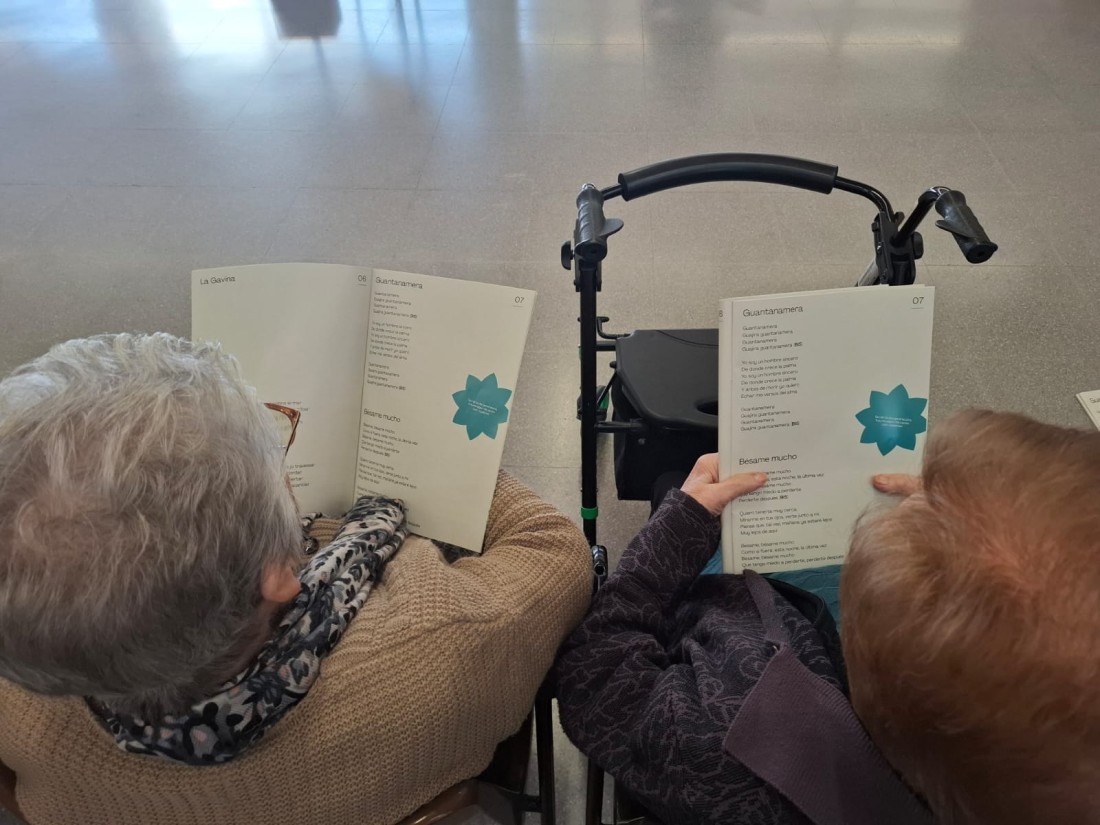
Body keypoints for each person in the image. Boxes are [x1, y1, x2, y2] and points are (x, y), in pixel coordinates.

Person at [0, 333, 591, 825]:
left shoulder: (20, 704)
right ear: (280, 575)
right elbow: (554, 548)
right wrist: (442, 454)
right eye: (274, 463)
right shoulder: (441, 637)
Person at [555, 410, 1100, 825]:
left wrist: (678, 526)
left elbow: (594, 675)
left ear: (864, 657)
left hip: (718, 646)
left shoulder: (729, 746)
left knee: (673, 479)